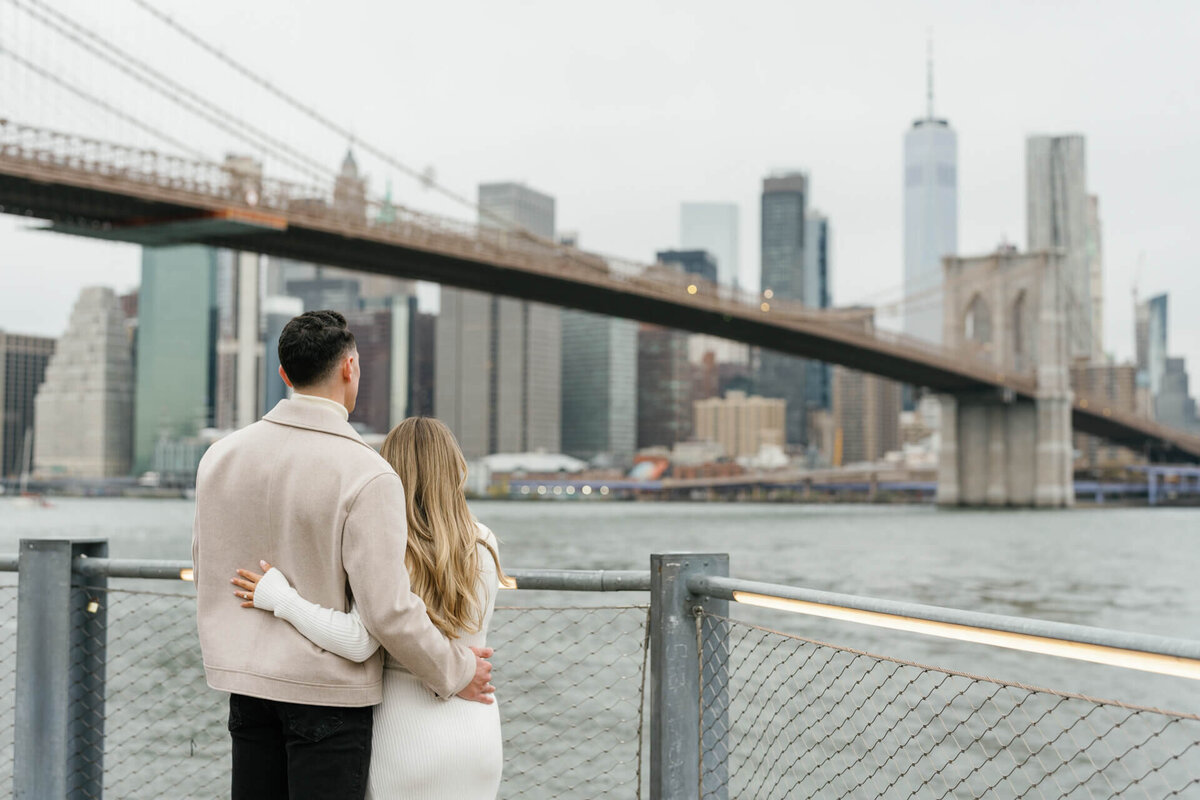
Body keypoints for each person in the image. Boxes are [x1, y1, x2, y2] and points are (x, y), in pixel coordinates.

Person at [193, 310, 494, 800]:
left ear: (284, 375)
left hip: (247, 690)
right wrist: (455, 671)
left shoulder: (219, 458)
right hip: (327, 701)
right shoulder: (367, 474)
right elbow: (388, 612)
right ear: (350, 367)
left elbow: (207, 567)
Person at [231, 416, 506, 799]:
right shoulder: (485, 541)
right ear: (455, 469)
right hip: (477, 734)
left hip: (406, 739)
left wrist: (282, 599)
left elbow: (358, 640)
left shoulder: (388, 547)